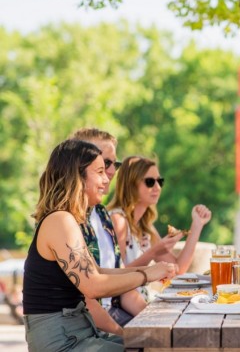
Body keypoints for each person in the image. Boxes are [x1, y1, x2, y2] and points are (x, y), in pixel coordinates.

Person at [22, 139, 177, 351]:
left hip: (78, 330)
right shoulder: (60, 221)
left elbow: (96, 271)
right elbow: (93, 286)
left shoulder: (70, 220)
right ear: (77, 175)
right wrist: (147, 275)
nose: (107, 179)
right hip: (61, 339)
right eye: (100, 171)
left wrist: (150, 270)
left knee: (157, 346)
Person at [71, 128, 147, 335]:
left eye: (116, 164)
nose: (112, 172)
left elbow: (124, 291)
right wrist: (127, 338)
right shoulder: (68, 220)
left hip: (113, 313)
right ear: (78, 166)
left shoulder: (102, 215)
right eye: (105, 164)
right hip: (84, 325)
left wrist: (157, 318)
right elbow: (87, 299)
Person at [108, 155, 212, 299]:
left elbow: (178, 269)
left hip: (141, 301)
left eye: (160, 181)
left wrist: (197, 224)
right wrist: (152, 252)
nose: (157, 187)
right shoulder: (118, 220)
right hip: (122, 307)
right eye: (150, 182)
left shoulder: (145, 226)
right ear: (131, 184)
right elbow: (118, 274)